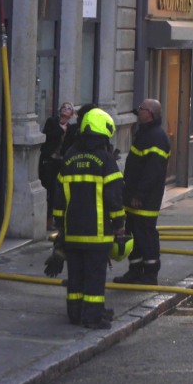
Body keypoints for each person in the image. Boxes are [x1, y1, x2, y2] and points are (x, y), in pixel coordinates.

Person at [52, 108, 125, 329]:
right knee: (94, 278)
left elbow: (59, 196)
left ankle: (75, 314)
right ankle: (92, 317)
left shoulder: (70, 157)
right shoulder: (105, 159)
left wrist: (60, 225)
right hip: (97, 233)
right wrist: (119, 223)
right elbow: (113, 196)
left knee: (75, 276)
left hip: (72, 232)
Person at [114, 99, 170, 286]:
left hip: (145, 200)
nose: (138, 111)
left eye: (141, 109)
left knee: (146, 236)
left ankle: (150, 274)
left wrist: (139, 195)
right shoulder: (145, 134)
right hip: (133, 197)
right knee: (134, 236)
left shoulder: (157, 137)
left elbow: (152, 171)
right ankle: (135, 271)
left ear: (150, 114)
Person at [39, 102, 75, 230]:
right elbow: (46, 137)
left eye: (69, 108)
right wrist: (60, 130)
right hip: (48, 161)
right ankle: (43, 219)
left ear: (71, 114)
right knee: (46, 188)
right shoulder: (52, 122)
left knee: (55, 191)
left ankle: (50, 219)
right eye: (64, 107)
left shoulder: (70, 129)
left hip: (59, 163)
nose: (66, 109)